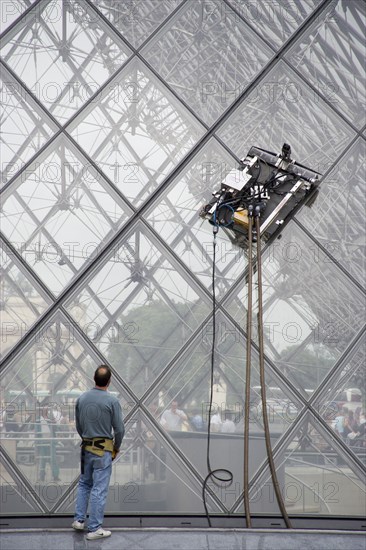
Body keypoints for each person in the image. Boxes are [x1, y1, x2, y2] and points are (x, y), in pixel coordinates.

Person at [72, 365, 124, 540]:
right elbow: (119, 429)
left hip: (86, 448)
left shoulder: (81, 399)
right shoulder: (112, 401)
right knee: (99, 489)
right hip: (103, 451)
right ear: (109, 381)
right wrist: (116, 447)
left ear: (94, 378)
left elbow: (79, 426)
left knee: (84, 484)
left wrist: (87, 438)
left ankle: (79, 520)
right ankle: (94, 528)